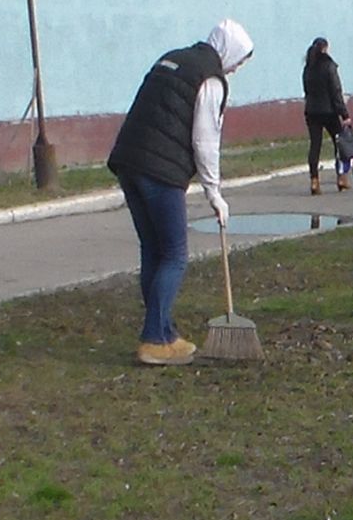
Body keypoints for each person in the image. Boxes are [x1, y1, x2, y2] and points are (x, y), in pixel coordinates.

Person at [107, 19, 254, 366]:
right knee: (174, 255)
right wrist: (214, 193)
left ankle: (165, 332)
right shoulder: (210, 80)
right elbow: (205, 140)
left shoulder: (172, 58)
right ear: (229, 51)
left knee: (153, 250)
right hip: (161, 171)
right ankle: (154, 339)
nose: (236, 68)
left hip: (128, 160)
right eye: (239, 60)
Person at [301, 37, 351, 194]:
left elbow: (306, 90)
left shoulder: (308, 68)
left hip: (312, 111)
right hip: (329, 112)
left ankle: (314, 181)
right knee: (339, 144)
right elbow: (336, 91)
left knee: (315, 145)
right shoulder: (329, 66)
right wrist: (344, 114)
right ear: (325, 49)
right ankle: (341, 177)